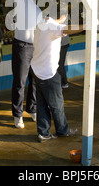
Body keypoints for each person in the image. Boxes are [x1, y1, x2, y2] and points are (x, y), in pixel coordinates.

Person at [31, 14, 82, 142]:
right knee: (57, 104)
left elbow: (54, 22)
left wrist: (59, 20)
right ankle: (62, 131)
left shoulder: (41, 23)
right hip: (48, 72)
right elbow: (68, 29)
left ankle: (43, 133)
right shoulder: (52, 27)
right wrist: (87, 26)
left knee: (42, 103)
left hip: (37, 70)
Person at [9, 0, 42, 129]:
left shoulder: (38, 9)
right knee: (20, 82)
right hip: (21, 47)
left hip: (34, 47)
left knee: (34, 82)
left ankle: (32, 108)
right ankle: (17, 114)